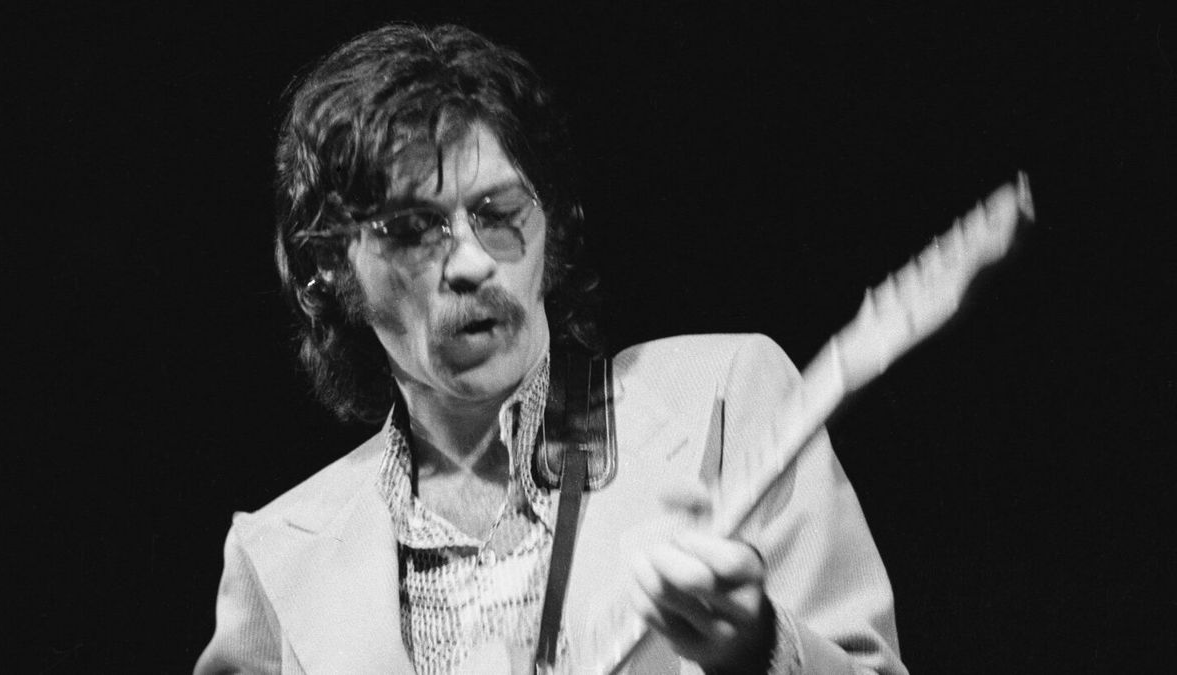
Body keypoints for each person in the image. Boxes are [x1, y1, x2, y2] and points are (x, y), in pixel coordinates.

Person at [197, 23, 906, 674]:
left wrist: (762, 647)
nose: (471, 261)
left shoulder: (726, 398)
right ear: (329, 271)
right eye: (412, 229)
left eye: (497, 213)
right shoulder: (277, 562)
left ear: (551, 226)